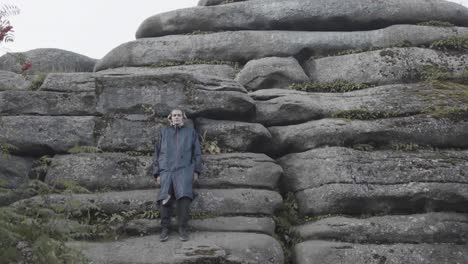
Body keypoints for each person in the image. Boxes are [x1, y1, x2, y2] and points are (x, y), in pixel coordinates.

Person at [152, 108, 202, 242]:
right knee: (165, 198)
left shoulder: (190, 132)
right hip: (166, 170)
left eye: (179, 115)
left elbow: (197, 153)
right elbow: (156, 153)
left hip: (185, 170)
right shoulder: (163, 132)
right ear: (170, 118)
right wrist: (157, 173)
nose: (176, 117)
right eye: (174, 115)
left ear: (183, 118)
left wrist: (196, 171)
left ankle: (183, 228)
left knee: (184, 197)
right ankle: (164, 229)